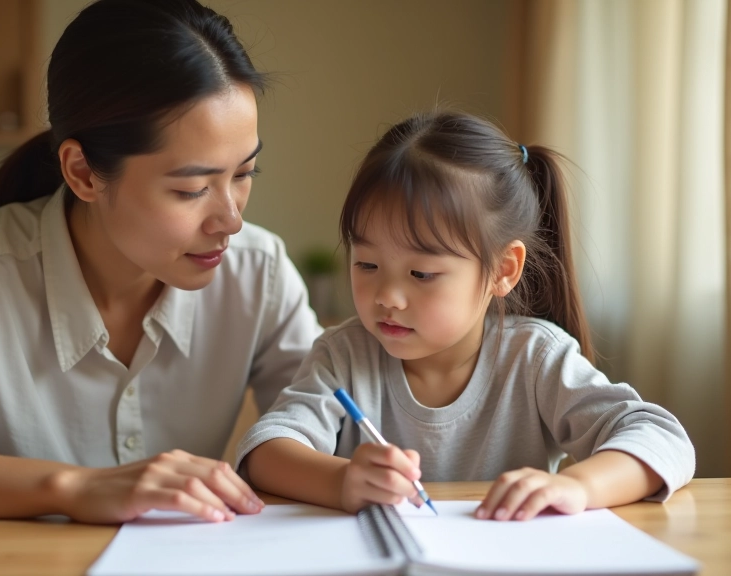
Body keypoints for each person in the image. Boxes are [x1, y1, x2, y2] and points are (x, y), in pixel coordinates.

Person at [0, 0, 323, 525]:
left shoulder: (257, 272)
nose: (231, 221)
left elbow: (331, 415)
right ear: (82, 173)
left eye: (245, 175)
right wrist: (74, 488)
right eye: (192, 189)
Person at [238, 110, 695, 521]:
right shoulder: (344, 354)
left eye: (421, 273)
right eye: (367, 265)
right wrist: (341, 481)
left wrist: (577, 485)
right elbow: (265, 451)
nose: (388, 297)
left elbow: (660, 437)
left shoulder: (535, 357)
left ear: (502, 270)